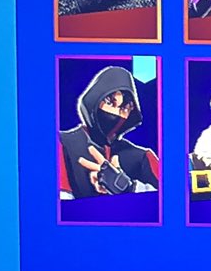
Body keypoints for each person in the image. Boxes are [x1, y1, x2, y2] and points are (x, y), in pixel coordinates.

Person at [57, 65, 159, 198]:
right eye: (110, 102)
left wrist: (128, 188)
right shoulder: (62, 144)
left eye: (125, 108)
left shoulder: (141, 157)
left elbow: (175, 198)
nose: (117, 113)